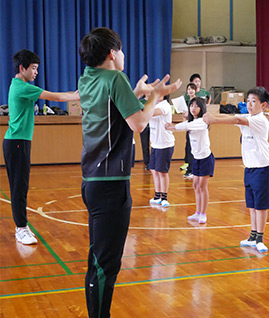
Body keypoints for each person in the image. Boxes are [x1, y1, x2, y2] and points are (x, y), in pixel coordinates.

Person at [78, 27, 181, 317]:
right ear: (112, 53)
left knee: (99, 259)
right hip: (111, 184)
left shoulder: (88, 79)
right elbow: (138, 123)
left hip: (92, 181)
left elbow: (112, 109)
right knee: (105, 264)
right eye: (120, 50)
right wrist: (155, 98)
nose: (122, 55)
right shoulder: (115, 78)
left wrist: (135, 92)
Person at [3, 49, 79, 245]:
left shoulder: (18, 85)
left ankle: (21, 225)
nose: (36, 72)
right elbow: (54, 97)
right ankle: (21, 229)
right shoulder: (22, 87)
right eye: (34, 68)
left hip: (18, 142)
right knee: (19, 187)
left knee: (21, 186)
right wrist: (76, 96)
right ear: (22, 68)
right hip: (17, 143)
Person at [203, 86, 269, 254]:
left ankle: (260, 238)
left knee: (260, 206)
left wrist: (214, 120)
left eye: (254, 101)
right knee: (251, 204)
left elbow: (237, 121)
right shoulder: (247, 116)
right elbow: (231, 116)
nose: (249, 104)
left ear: (263, 105)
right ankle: (252, 235)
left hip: (263, 168)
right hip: (249, 168)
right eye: (248, 101)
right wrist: (212, 116)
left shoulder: (260, 120)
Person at [167, 97, 214, 224]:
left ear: (202, 108)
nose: (193, 108)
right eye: (191, 105)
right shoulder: (191, 121)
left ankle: (203, 213)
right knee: (195, 185)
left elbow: (187, 125)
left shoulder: (202, 122)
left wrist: (174, 127)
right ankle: (198, 212)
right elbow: (187, 124)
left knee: (202, 186)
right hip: (196, 158)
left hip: (205, 158)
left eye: (197, 106)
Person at [147, 96, 175, 208]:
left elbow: (152, 113)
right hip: (155, 144)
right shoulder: (153, 105)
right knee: (154, 170)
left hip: (165, 144)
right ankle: (157, 195)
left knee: (162, 172)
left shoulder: (165, 106)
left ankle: (164, 197)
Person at [181, 82, 199, 179]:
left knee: (193, 149)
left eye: (192, 88)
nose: (190, 90)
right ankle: (189, 169)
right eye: (188, 89)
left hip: (195, 128)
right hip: (189, 128)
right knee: (188, 149)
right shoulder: (188, 102)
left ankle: (193, 170)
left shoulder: (198, 101)